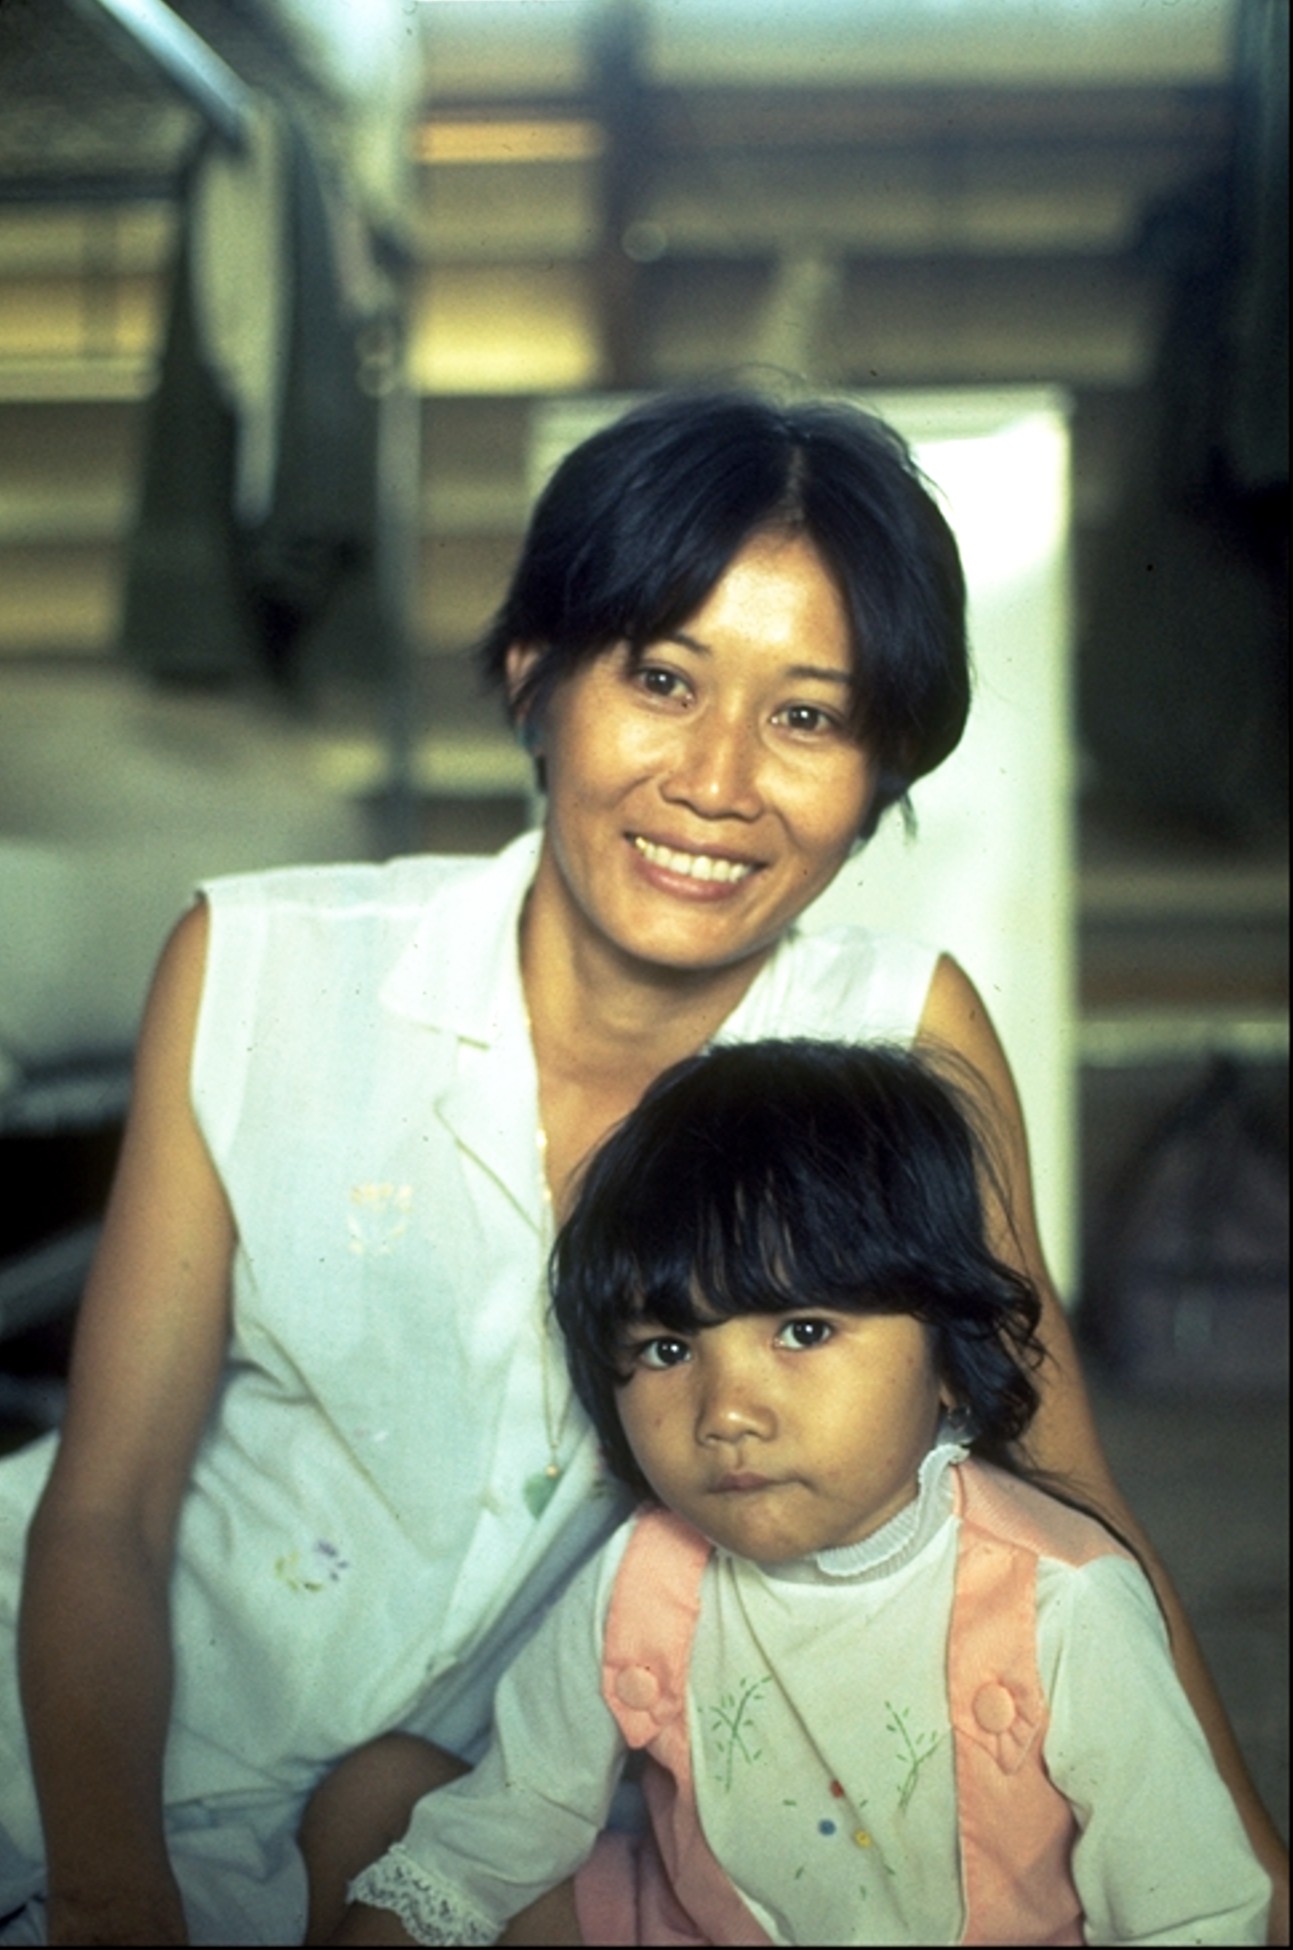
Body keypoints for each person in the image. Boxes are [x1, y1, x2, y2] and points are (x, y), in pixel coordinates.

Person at [0, 388, 1283, 1946]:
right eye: (663, 678)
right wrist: (109, 1890)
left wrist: (1253, 1871)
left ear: (883, 771)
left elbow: (1057, 1482)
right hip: (82, 1741)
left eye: (806, 715)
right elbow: (108, 1506)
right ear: (536, 674)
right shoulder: (260, 967)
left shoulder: (895, 1032)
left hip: (476, 1800)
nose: (719, 778)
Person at [303, 1038, 1271, 1946]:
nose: (727, 1411)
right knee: (376, 1798)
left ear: (947, 1357)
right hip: (694, 1922)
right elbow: (510, 1824)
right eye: (669, 1349)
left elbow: (1190, 1908)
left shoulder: (1061, 1601)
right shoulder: (648, 1576)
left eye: (803, 1332)